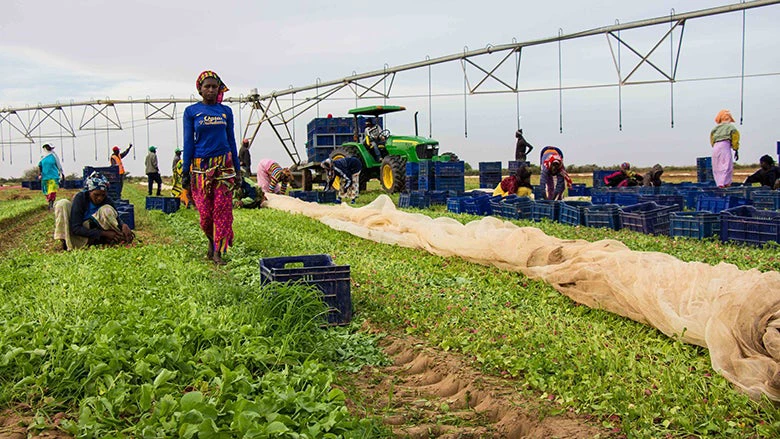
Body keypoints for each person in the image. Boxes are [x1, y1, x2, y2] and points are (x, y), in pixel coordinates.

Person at [182, 70, 239, 265]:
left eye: (214, 86)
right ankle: (211, 242)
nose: (211, 90)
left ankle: (218, 252)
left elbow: (231, 140)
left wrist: (238, 170)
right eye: (207, 86)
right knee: (205, 214)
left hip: (224, 165)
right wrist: (185, 173)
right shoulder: (191, 112)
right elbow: (188, 142)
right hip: (200, 168)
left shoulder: (226, 111)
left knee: (222, 211)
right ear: (200, 89)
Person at [53, 172, 133, 251]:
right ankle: (65, 242)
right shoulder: (80, 199)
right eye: (96, 195)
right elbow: (76, 228)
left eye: (103, 195)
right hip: (80, 232)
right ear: (89, 191)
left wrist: (123, 225)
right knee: (62, 203)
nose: (100, 198)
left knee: (107, 209)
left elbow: (116, 218)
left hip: (95, 231)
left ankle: (117, 238)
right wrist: (104, 233)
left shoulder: (107, 200)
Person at [710, 109, 740, 187]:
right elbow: (735, 139)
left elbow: (712, 139)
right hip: (725, 146)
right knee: (726, 165)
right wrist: (736, 149)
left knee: (717, 166)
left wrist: (715, 146)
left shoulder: (715, 129)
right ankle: (725, 183)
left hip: (716, 148)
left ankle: (719, 183)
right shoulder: (731, 128)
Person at [38, 143, 65, 210]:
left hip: (53, 176)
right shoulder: (42, 157)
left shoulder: (54, 156)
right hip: (45, 176)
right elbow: (40, 166)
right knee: (46, 191)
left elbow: (58, 165)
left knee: (52, 191)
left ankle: (51, 204)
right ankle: (49, 202)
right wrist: (40, 174)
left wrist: (62, 173)